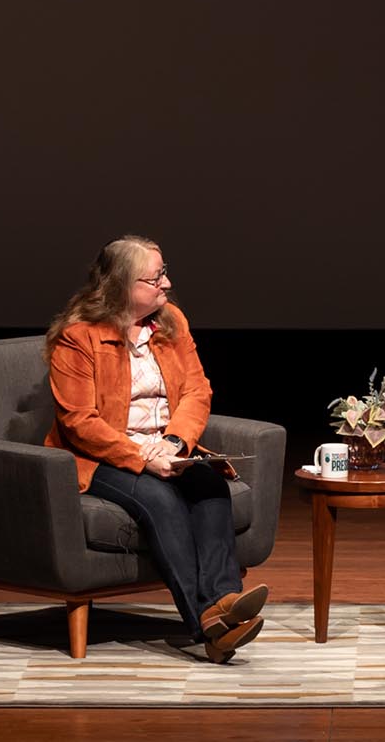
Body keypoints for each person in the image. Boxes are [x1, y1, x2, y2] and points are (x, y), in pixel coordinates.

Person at [42, 235, 267, 662]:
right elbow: (79, 422)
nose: (166, 284)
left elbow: (198, 390)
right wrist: (144, 458)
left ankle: (223, 603)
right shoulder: (77, 338)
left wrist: (174, 443)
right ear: (121, 286)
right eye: (155, 277)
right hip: (103, 455)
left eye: (164, 273)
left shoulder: (171, 324)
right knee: (161, 501)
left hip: (167, 445)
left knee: (210, 484)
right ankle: (205, 623)